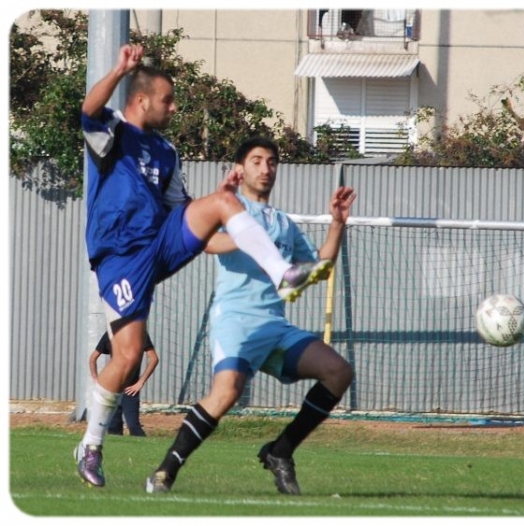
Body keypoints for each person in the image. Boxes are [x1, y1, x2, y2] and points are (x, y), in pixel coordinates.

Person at [74, 44, 332, 488]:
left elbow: (188, 216)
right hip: (120, 257)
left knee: (223, 201)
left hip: (159, 243)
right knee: (128, 356)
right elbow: (88, 108)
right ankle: (91, 445)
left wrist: (222, 208)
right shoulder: (112, 130)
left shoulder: (167, 152)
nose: (174, 107)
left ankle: (281, 273)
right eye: (168, 100)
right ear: (142, 100)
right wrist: (119, 70)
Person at [146, 137, 356, 496]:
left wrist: (337, 223)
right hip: (235, 320)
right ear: (240, 169)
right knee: (226, 392)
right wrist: (248, 236)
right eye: (256, 161)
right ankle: (165, 472)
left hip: (274, 326)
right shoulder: (230, 207)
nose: (265, 168)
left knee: (338, 371)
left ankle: (280, 451)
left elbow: (319, 267)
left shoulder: (284, 223)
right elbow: (208, 243)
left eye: (271, 161)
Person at [89, 331, 158, 437]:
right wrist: (96, 379)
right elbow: (93, 358)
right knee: (113, 428)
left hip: (130, 390)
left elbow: (154, 358)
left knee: (133, 426)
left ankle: (142, 444)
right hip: (113, 389)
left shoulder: (138, 333)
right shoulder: (110, 333)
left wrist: (140, 382)